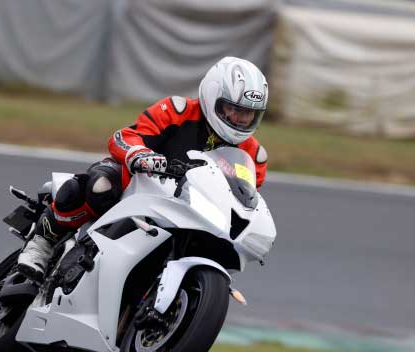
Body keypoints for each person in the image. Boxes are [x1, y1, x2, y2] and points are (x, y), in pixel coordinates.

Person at [18, 56, 269, 279]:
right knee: (101, 185)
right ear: (212, 97)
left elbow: (243, 202)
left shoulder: (254, 156)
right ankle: (42, 243)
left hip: (192, 212)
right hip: (142, 186)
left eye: (248, 114)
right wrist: (140, 154)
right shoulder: (177, 111)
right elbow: (124, 137)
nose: (240, 119)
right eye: (234, 109)